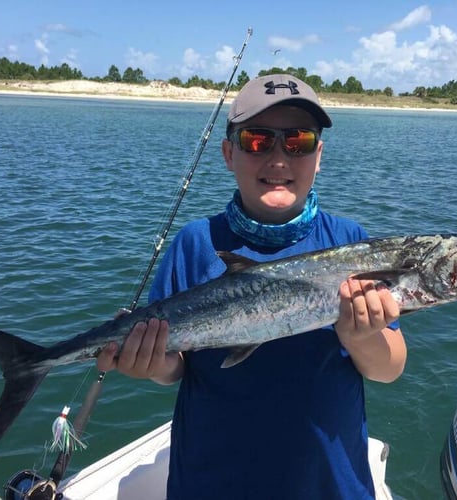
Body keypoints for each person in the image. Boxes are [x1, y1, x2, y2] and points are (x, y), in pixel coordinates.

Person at [97, 74, 407, 499]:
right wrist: (151, 364)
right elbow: (177, 366)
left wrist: (361, 338)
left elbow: (389, 368)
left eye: (298, 141)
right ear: (228, 153)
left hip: (326, 484)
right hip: (211, 481)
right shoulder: (196, 243)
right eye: (257, 141)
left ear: (319, 156)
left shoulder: (351, 243)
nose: (279, 159)